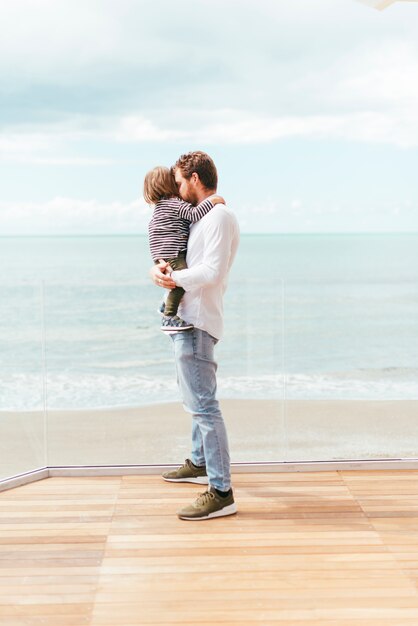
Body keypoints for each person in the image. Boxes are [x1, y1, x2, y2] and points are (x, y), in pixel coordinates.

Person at [149, 151, 240, 521]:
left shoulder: (218, 216)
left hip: (198, 320)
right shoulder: (199, 219)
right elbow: (181, 255)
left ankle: (221, 491)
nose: (176, 187)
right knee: (194, 400)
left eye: (180, 180)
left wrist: (175, 279)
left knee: (204, 406)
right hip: (187, 318)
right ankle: (200, 463)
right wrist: (162, 271)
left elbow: (213, 271)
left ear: (196, 179)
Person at [144, 166, 225, 332]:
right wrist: (213, 201)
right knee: (180, 281)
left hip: (160, 255)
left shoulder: (158, 209)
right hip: (173, 253)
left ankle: (166, 305)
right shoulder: (174, 204)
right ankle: (169, 316)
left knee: (174, 282)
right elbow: (194, 214)